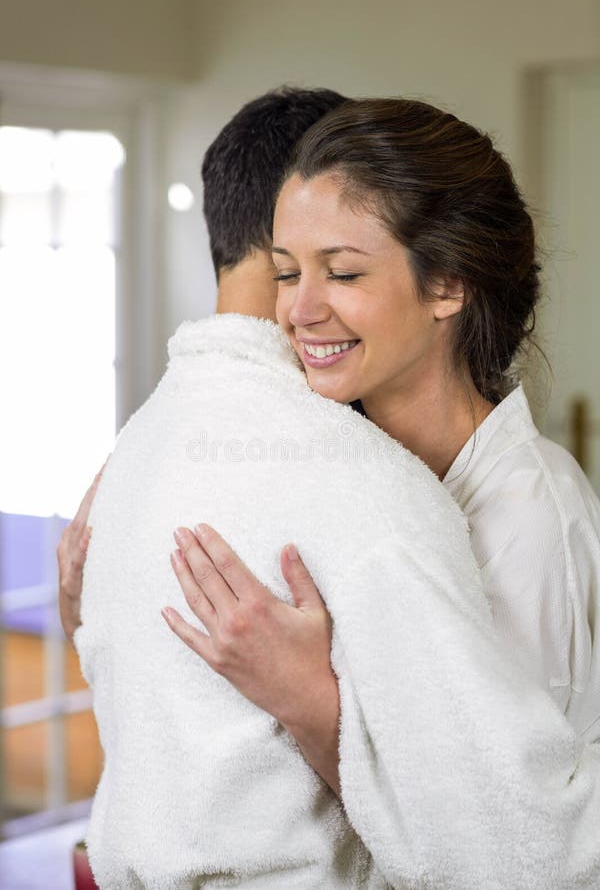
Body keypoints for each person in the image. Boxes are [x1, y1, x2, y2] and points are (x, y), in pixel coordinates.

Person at [59, 97, 600, 888]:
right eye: (286, 271)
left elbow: (506, 841)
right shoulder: (344, 470)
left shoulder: (528, 517)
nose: (299, 310)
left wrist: (310, 699)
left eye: (341, 273)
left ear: (447, 284)